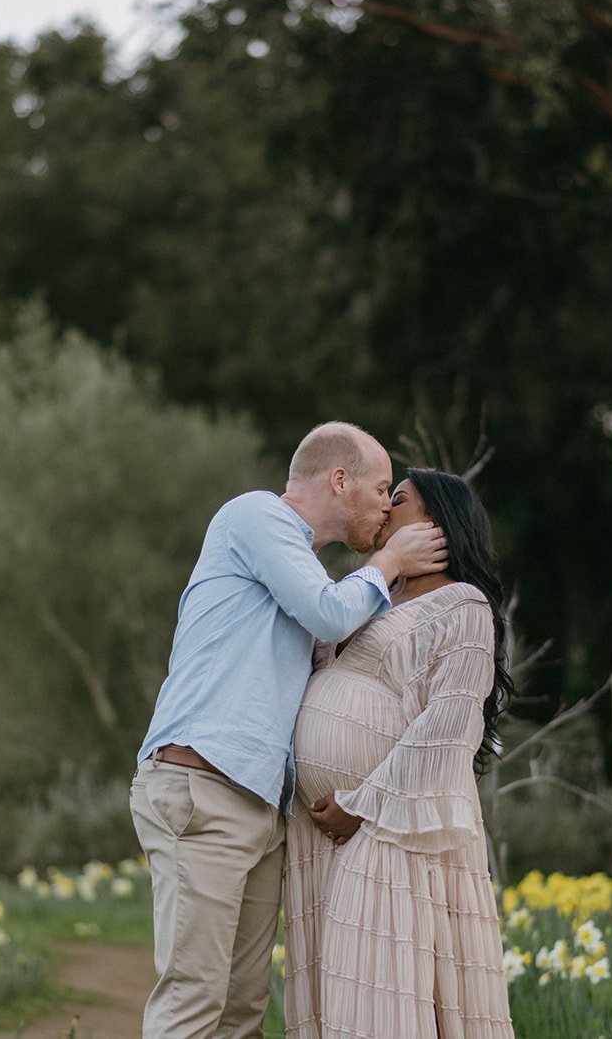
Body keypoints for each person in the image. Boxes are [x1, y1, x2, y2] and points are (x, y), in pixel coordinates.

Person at [132, 422, 449, 1039]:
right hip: (204, 788)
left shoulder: (299, 568)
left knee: (241, 1014)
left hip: (256, 805)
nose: (387, 505)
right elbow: (329, 616)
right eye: (381, 487)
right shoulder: (255, 517)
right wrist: (388, 563)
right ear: (340, 480)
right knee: (194, 1003)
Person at [285, 467, 516, 1038]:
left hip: (392, 827)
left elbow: (449, 727)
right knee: (334, 994)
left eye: (400, 499)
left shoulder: (463, 606)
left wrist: (364, 804)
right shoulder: (368, 594)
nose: (384, 507)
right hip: (321, 834)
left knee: (384, 994)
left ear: (438, 522)